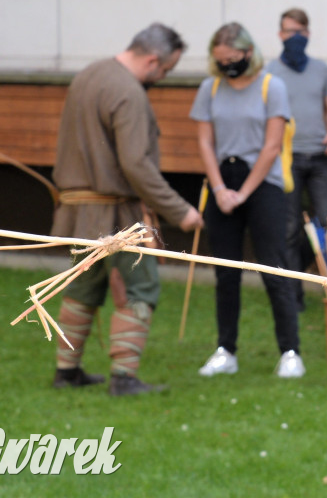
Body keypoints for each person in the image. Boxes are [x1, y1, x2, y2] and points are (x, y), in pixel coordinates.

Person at [51, 23, 204, 397]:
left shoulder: (89, 75)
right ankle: (123, 376)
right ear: (152, 60)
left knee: (83, 288)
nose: (162, 77)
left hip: (78, 213)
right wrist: (179, 211)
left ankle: (66, 371)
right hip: (116, 216)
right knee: (140, 286)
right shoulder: (128, 92)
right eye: (165, 70)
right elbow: (136, 165)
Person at [190, 22, 304, 379]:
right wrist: (220, 188)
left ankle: (290, 351)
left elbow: (272, 145)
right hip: (223, 181)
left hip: (263, 185)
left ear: (248, 53)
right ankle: (226, 349)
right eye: (220, 60)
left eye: (233, 58)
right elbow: (206, 142)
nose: (227, 65)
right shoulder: (210, 88)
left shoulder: (273, 86)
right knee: (225, 271)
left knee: (274, 267)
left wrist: (244, 192)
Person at [267, 8, 327, 310]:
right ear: (280, 35)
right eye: (288, 31)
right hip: (286, 160)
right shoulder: (269, 71)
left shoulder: (322, 70)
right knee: (289, 230)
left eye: (299, 31)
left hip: (320, 157)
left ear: (307, 34)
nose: (294, 37)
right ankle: (292, 296)